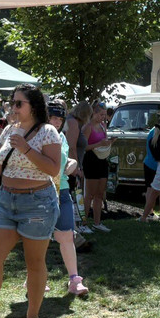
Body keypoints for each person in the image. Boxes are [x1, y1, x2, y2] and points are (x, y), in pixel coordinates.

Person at [0, 85, 61, 318]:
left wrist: (27, 149)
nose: (14, 107)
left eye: (19, 103)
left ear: (34, 106)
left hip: (37, 202)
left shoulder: (47, 131)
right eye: (13, 102)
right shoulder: (10, 129)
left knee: (34, 262)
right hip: (6, 201)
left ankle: (32, 317)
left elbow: (53, 169)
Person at [47, 102, 88, 296]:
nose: (56, 122)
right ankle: (36, 279)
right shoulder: (38, 136)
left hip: (62, 191)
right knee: (39, 238)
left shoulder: (61, 136)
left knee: (67, 236)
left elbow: (64, 161)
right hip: (41, 192)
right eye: (52, 117)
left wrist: (71, 163)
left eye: (59, 119)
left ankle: (74, 280)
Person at [81, 101, 111, 232]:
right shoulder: (87, 127)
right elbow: (83, 147)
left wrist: (109, 143)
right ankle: (83, 223)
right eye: (100, 114)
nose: (103, 117)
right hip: (91, 160)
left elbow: (104, 142)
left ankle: (97, 223)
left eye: (104, 115)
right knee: (89, 195)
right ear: (94, 113)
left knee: (100, 193)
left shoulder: (103, 126)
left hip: (102, 160)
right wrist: (99, 144)